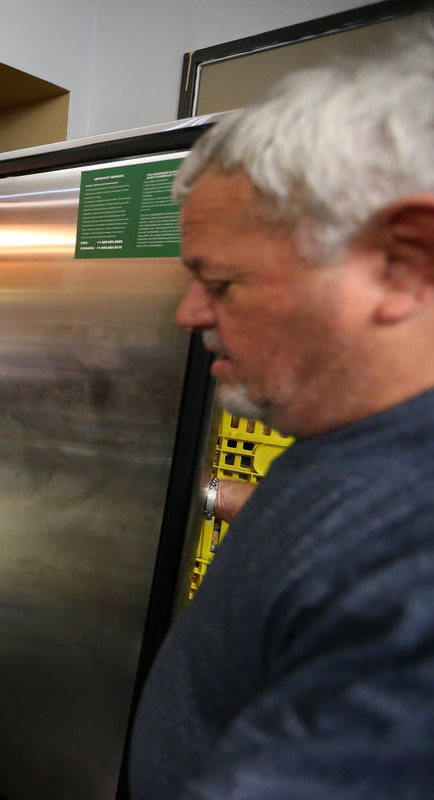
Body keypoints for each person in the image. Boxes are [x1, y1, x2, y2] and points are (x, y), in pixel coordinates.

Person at [128, 31, 434, 800]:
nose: (187, 313)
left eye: (221, 283)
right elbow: (330, 534)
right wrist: (211, 498)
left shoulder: (412, 586)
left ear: (404, 262)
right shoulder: (358, 436)